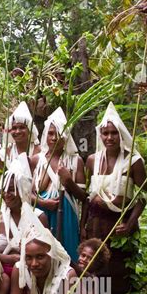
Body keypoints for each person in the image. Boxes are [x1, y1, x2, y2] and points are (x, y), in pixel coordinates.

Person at [82, 102, 147, 294]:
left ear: (121, 134)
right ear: (100, 134)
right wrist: (84, 224)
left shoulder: (133, 162)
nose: (109, 137)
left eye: (114, 133)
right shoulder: (92, 160)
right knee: (96, 266)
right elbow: (88, 198)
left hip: (119, 224)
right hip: (96, 223)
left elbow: (143, 197)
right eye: (105, 133)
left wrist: (130, 224)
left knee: (120, 268)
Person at [31, 107, 86, 261]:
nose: (54, 138)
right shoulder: (36, 160)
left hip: (67, 215)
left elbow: (84, 198)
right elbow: (26, 192)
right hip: (41, 214)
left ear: (66, 136)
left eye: (59, 133)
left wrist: (68, 181)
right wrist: (43, 202)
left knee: (67, 256)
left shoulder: (76, 161)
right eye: (50, 133)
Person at [0, 154, 49, 278]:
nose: (7, 194)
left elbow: (46, 252)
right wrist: (7, 258)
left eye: (11, 189)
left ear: (22, 190)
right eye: (4, 190)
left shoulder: (38, 217)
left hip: (29, 274)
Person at [0, 101, 40, 169]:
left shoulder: (39, 151)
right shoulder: (6, 153)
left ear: (29, 130)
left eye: (22, 127)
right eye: (14, 128)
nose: (17, 132)